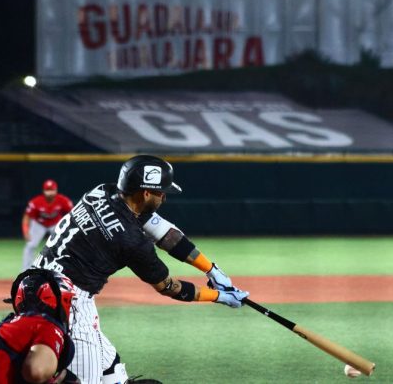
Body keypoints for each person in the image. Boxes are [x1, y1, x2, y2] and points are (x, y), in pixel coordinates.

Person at [32, 155, 249, 384]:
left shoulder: (102, 192)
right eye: (161, 192)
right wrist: (219, 296)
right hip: (69, 303)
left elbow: (165, 233)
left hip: (34, 283)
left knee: (112, 370)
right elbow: (169, 287)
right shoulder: (131, 241)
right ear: (145, 192)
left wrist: (211, 269)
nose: (164, 196)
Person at [22, 179, 73, 270]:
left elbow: (72, 214)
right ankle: (26, 271)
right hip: (39, 224)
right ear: (43, 191)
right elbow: (27, 217)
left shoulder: (63, 200)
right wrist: (26, 231)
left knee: (62, 245)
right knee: (30, 245)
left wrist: (69, 229)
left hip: (55, 223)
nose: (50, 193)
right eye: (48, 190)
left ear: (56, 190)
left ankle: (62, 270)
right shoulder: (35, 202)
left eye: (52, 190)